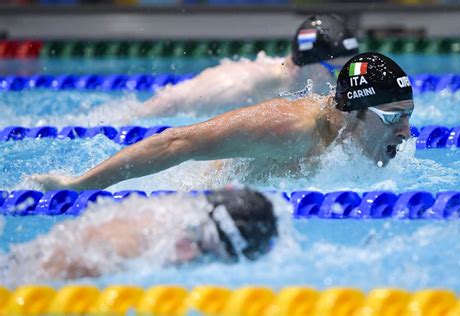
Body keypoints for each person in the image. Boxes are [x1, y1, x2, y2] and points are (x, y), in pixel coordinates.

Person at [31, 52, 414, 192]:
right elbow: (176, 143)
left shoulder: (355, 140)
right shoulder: (288, 129)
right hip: (204, 198)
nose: (405, 132)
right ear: (352, 113)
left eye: (408, 117)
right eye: (394, 117)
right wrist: (77, 185)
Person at [1, 188, 278, 284]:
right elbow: (49, 270)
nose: (190, 254)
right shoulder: (125, 245)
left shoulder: (166, 217)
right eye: (199, 246)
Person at [135, 15, 359, 117]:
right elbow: (172, 101)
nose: (344, 80)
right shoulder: (241, 87)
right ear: (308, 65)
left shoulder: (298, 86)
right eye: (337, 71)